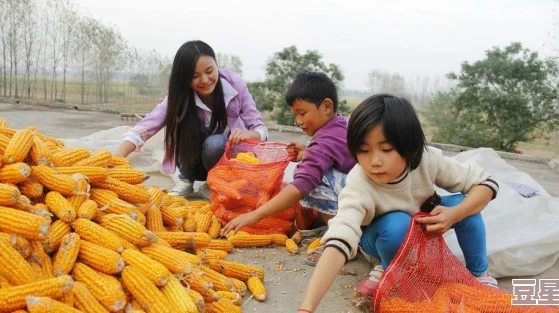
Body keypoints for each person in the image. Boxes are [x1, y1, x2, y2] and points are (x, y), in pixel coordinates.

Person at [296, 94, 499, 312]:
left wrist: (455, 214)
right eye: (364, 151)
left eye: (386, 149)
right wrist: (307, 308)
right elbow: (340, 239)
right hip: (379, 237)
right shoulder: (359, 183)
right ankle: (386, 267)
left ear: (409, 145)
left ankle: (479, 274)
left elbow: (486, 183)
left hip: (420, 226)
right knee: (397, 224)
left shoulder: (426, 159)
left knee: (463, 203)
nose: (374, 161)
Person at [221, 72, 356, 251]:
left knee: (313, 179)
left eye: (302, 113)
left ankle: (342, 237)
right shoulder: (341, 124)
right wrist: (307, 153)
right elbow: (334, 156)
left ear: (327, 106)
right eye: (295, 115)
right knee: (313, 170)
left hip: (359, 198)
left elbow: (301, 186)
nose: (298, 121)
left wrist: (255, 215)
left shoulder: (324, 141)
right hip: (365, 194)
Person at [114, 40, 268, 197]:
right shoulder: (179, 96)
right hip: (193, 162)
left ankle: (217, 182)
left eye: (209, 71)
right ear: (185, 78)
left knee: (215, 143)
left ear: (217, 65)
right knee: (182, 123)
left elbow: (261, 130)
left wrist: (248, 134)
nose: (205, 80)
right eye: (195, 76)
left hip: (226, 159)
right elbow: (143, 129)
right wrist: (113, 162)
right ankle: (187, 179)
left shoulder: (235, 85)